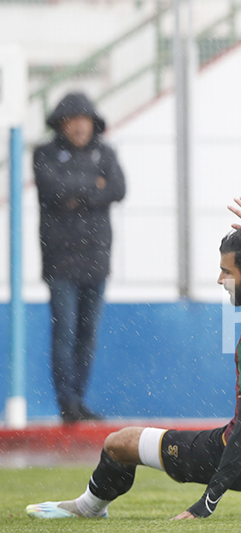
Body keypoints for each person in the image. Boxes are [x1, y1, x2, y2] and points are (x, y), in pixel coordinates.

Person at [26, 198, 241, 519]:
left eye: (226, 271)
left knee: (119, 443)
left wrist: (207, 502)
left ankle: (87, 508)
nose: (220, 280)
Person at [33, 92, 126, 423]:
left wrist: (76, 193)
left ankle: (78, 400)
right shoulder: (44, 154)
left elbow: (118, 189)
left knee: (88, 334)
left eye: (84, 120)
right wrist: (93, 188)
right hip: (60, 261)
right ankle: (67, 403)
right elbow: (51, 189)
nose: (79, 127)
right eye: (72, 121)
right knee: (65, 332)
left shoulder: (106, 153)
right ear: (61, 124)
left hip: (97, 259)